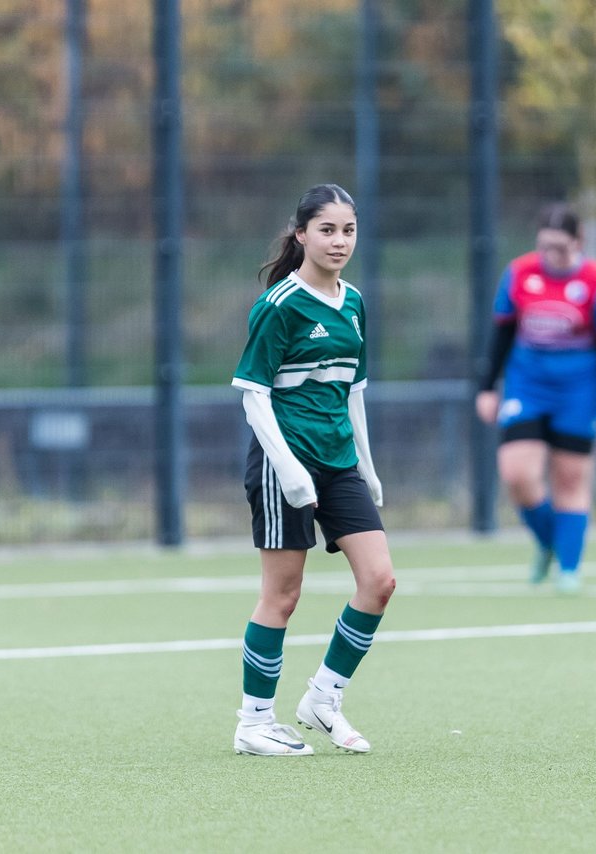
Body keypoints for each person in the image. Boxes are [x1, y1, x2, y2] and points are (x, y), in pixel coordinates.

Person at [230, 184, 396, 757]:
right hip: (285, 464)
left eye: (348, 230)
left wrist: (368, 469)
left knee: (380, 582)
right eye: (327, 230)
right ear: (301, 234)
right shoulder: (279, 305)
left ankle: (323, 698)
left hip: (339, 463)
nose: (338, 241)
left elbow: (355, 394)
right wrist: (289, 471)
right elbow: (252, 395)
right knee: (283, 594)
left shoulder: (353, 303)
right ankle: (253, 723)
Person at [475, 203, 596, 593]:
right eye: (545, 246)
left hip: (579, 390)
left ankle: (569, 570)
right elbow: (503, 334)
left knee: (570, 477)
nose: (550, 256)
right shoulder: (520, 274)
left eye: (560, 247)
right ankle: (549, 542)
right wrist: (488, 386)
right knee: (517, 474)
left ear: (579, 242)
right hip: (528, 385)